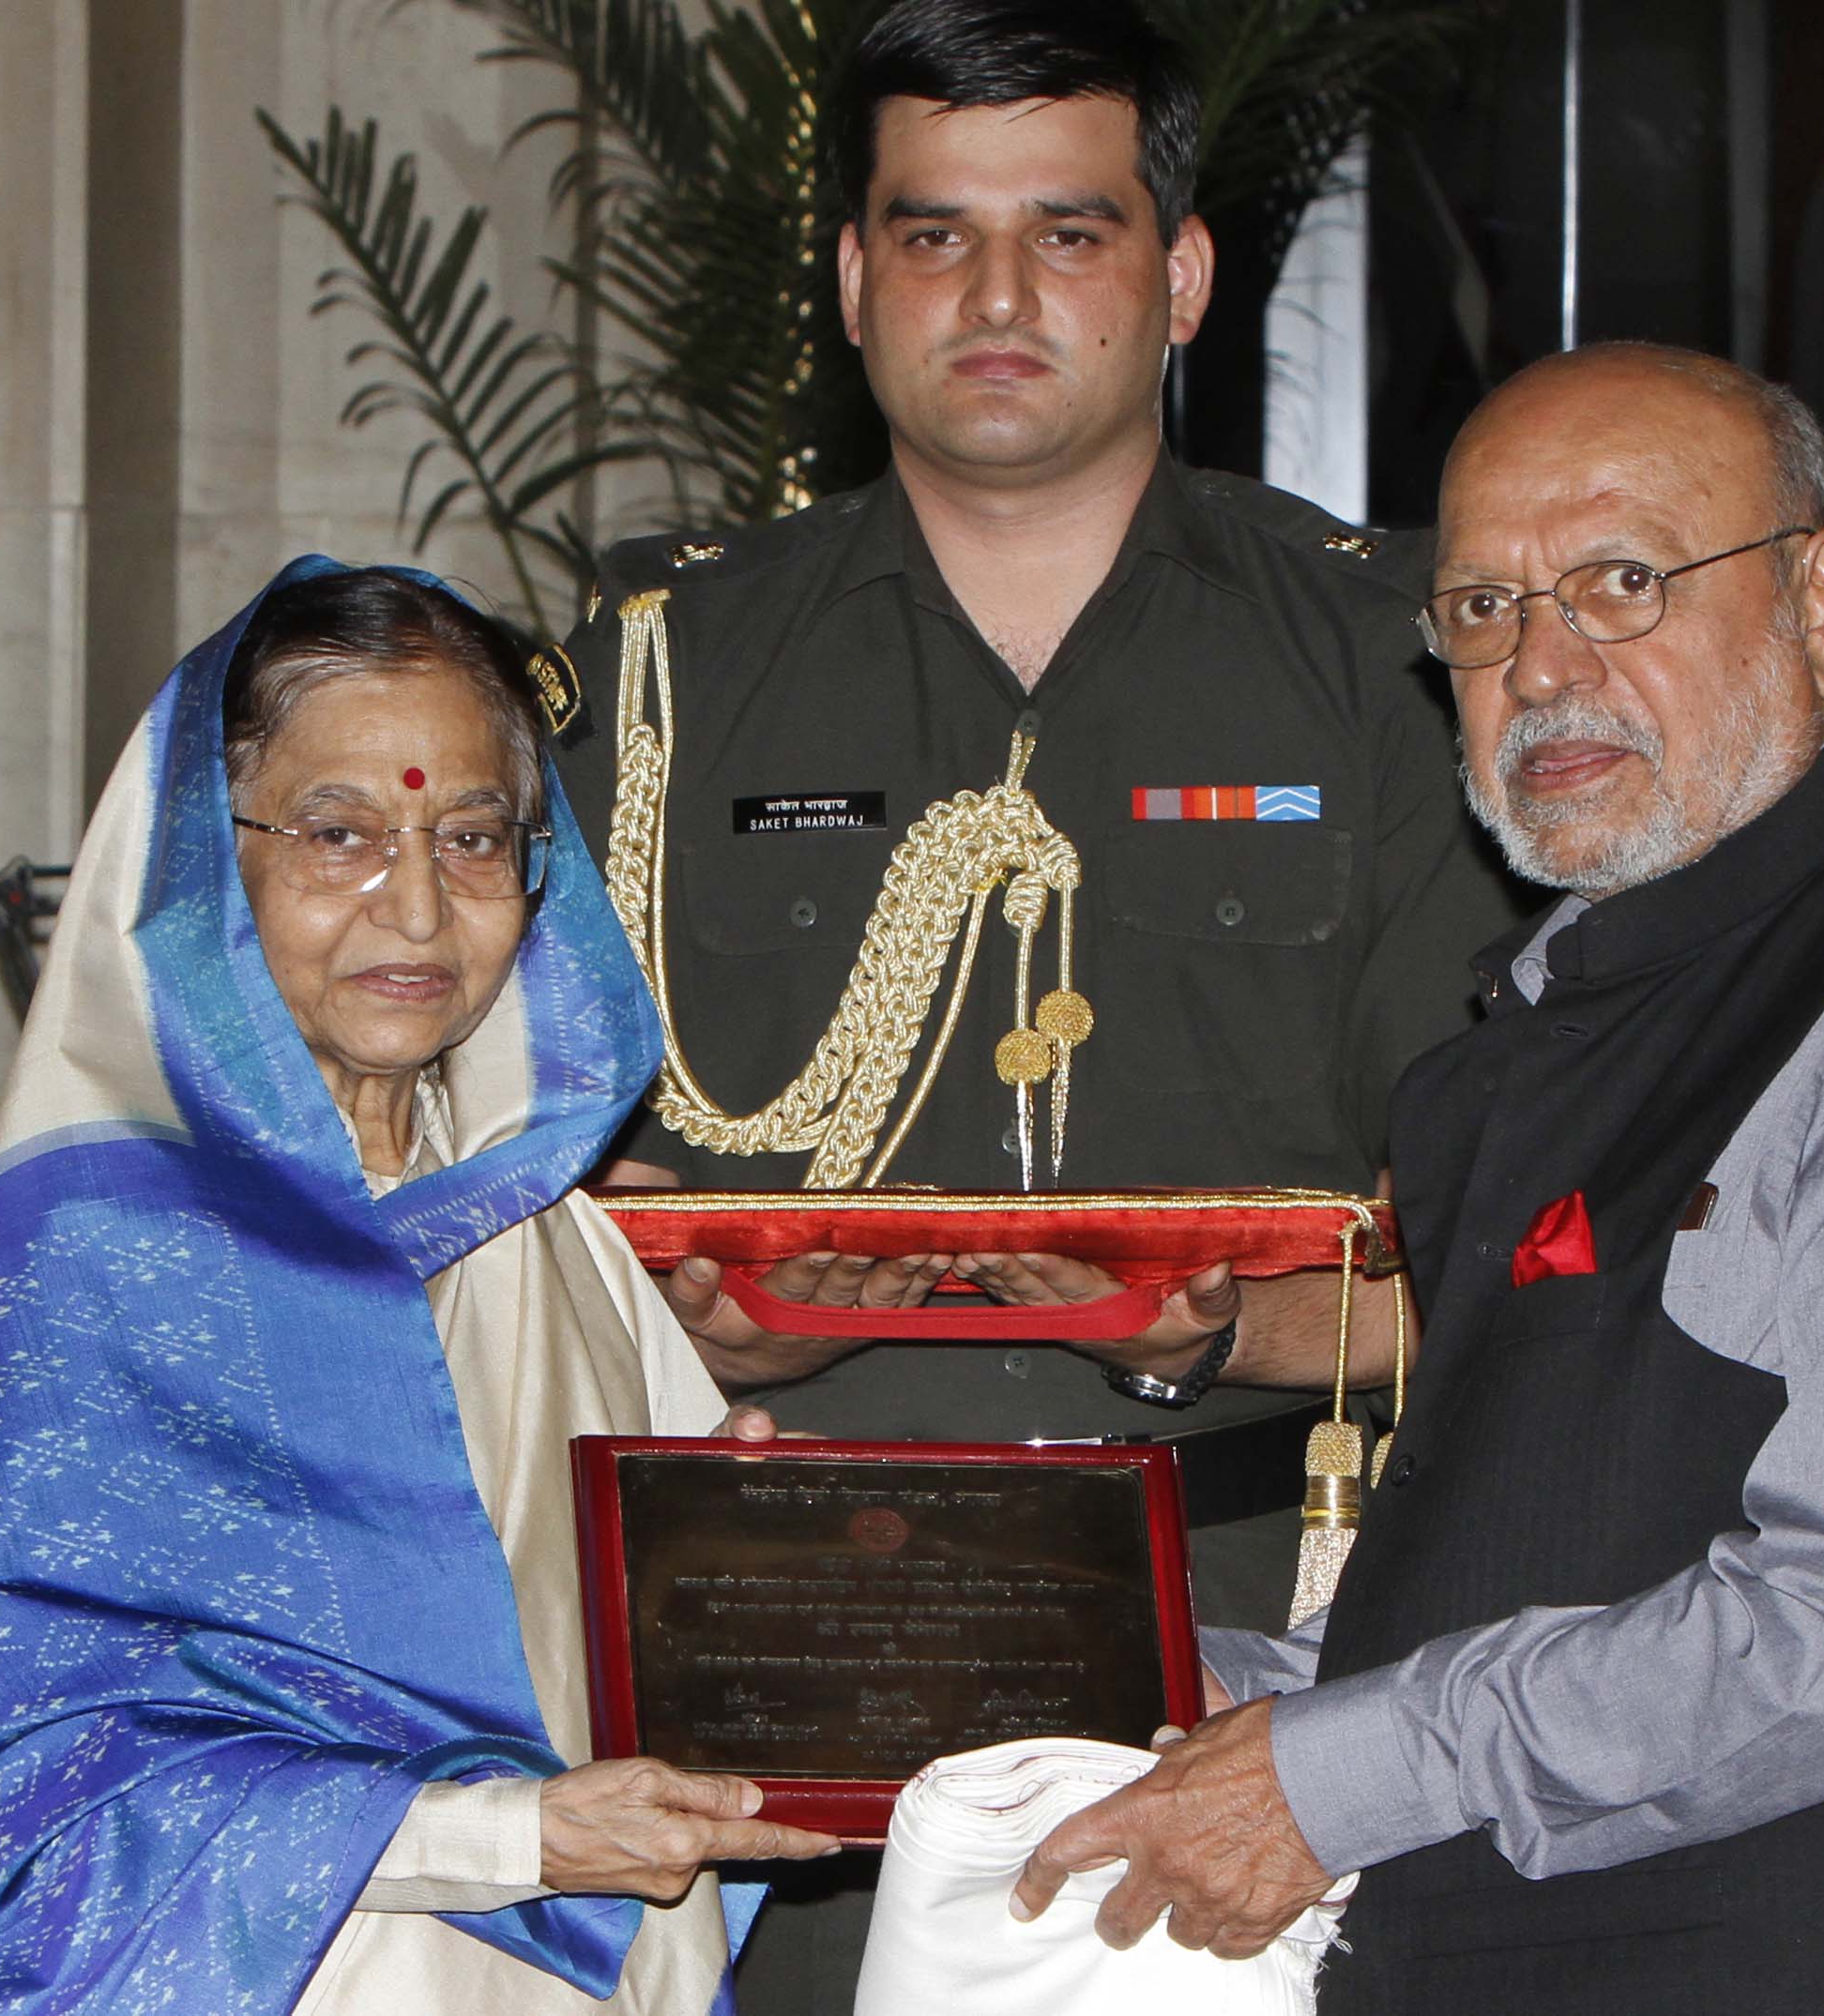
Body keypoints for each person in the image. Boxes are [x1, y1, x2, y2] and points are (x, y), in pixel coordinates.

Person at [1010, 343, 1824, 2016]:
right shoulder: (1558, 1013)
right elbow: (1539, 1577)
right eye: (1480, 611)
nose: (1541, 665)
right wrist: (1125, 1688)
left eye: (1620, 582)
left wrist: (1330, 1769)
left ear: (1815, 591)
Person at [553, 4, 1519, 2001]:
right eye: (931, 233)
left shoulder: (1392, 668)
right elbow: (499, 1190)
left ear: (1177, 276)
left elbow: (1522, 1215)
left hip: (1235, 1670)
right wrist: (656, 1295)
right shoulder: (660, 671)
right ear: (848, 279)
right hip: (760, 1686)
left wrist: (1240, 1323)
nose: (995, 293)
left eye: (1068, 234)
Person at [0, 561, 841, 2016]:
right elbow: (4, 1791)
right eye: (338, 834)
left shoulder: (547, 1230)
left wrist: (751, 1568)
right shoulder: (98, 1252)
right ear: (208, 858)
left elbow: (658, 1630)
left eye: (470, 835)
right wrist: (506, 1831)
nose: (415, 905)